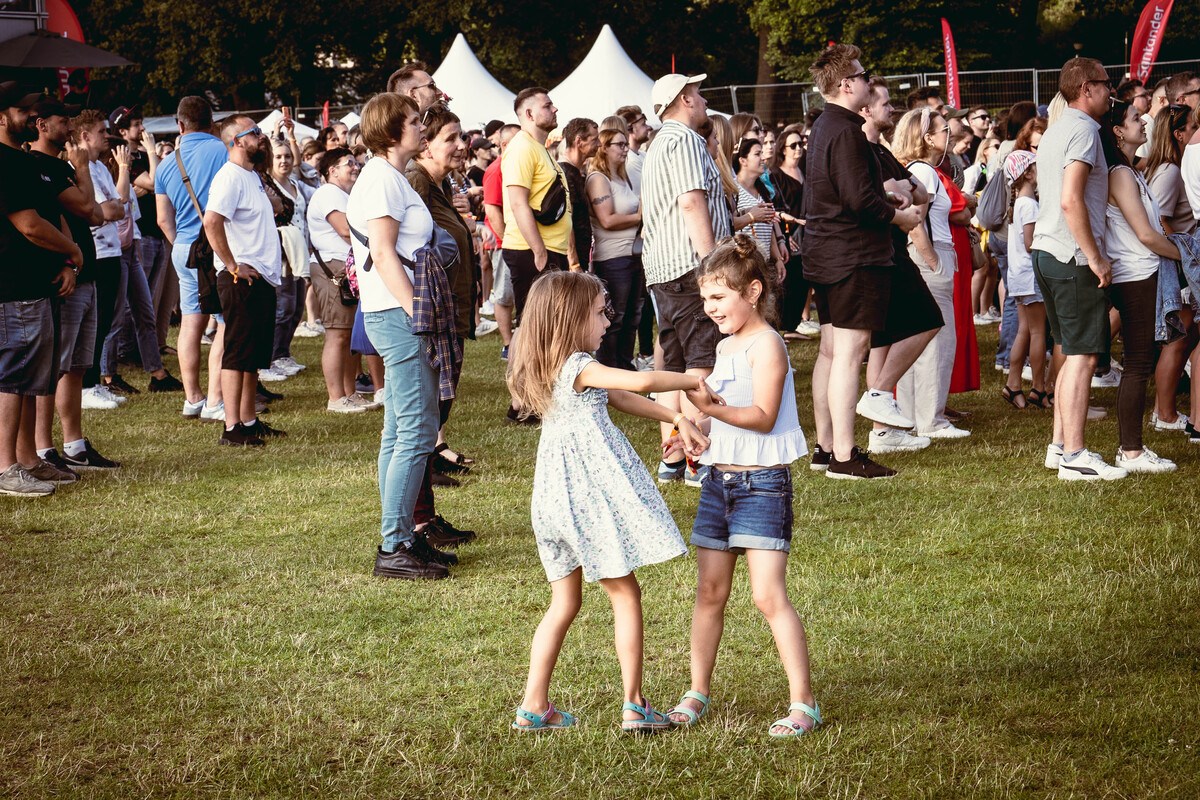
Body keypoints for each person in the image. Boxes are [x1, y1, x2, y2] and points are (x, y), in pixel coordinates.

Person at [506, 270, 710, 732]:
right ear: (571, 319)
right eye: (600, 313)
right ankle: (634, 704)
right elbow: (640, 381)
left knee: (564, 601)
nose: (607, 322)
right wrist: (690, 382)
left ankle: (534, 706)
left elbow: (619, 397)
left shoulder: (552, 367)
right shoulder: (579, 364)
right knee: (625, 593)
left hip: (551, 503)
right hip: (584, 503)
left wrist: (675, 416)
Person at [662, 236, 819, 738]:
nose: (710, 309)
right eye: (705, 299)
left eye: (719, 297)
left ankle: (803, 702)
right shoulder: (725, 345)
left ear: (752, 292)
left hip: (762, 485)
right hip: (718, 484)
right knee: (709, 592)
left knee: (768, 597)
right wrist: (696, 430)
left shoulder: (767, 344)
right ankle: (697, 691)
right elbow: (727, 417)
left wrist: (710, 408)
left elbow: (763, 416)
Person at [348, 93, 458, 580]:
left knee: (400, 430)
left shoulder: (388, 176)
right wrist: (419, 312)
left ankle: (403, 537)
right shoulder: (381, 179)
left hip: (396, 312)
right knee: (414, 431)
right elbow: (384, 253)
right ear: (391, 131)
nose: (421, 128)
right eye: (414, 121)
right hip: (399, 314)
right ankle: (394, 544)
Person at [801, 45, 922, 479]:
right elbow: (857, 201)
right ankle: (844, 457)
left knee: (832, 353)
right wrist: (899, 216)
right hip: (851, 255)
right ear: (846, 85)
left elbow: (844, 190)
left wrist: (884, 195)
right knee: (849, 355)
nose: (869, 80)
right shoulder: (847, 131)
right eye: (864, 74)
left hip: (828, 252)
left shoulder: (826, 125)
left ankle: (826, 448)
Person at [1030, 58, 1126, 481]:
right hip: (1071, 256)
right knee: (1084, 356)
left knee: (1072, 351)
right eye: (1106, 84)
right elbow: (1071, 200)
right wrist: (1095, 256)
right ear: (1087, 88)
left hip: (1048, 251)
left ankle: (1059, 447)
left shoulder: (1057, 127)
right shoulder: (1085, 130)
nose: (1111, 91)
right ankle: (1074, 455)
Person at [640, 72, 730, 484]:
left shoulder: (658, 144)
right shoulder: (687, 141)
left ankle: (673, 458)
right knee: (701, 363)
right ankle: (697, 459)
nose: (704, 100)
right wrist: (712, 265)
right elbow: (692, 203)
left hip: (663, 270)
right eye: (699, 93)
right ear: (685, 100)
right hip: (690, 268)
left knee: (674, 366)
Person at [26, 98, 119, 476]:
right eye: (62, 121)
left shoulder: (63, 166)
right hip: (64, 277)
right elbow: (86, 208)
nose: (69, 128)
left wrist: (79, 174)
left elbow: (93, 212)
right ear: (42, 125)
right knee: (53, 369)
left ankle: (75, 445)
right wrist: (81, 169)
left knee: (78, 365)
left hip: (87, 272)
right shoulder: (38, 166)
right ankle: (43, 448)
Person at [0, 82, 83, 497]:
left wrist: (65, 262)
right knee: (13, 378)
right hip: (13, 286)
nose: (32, 118)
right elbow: (30, 225)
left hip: (36, 283)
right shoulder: (5, 162)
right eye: (23, 111)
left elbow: (50, 213)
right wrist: (72, 250)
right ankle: (5, 468)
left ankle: (29, 459)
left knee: (31, 379)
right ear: (2, 117)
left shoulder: (23, 160)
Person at [856, 79, 945, 457]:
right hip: (882, 253)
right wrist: (898, 193)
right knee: (928, 319)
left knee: (884, 338)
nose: (891, 108)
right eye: (885, 103)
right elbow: (880, 196)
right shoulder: (860, 150)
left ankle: (882, 432)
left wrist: (901, 191)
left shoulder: (882, 150)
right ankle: (878, 394)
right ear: (865, 108)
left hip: (891, 249)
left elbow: (918, 192)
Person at [1101, 99, 1180, 473]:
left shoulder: (1129, 171)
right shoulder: (1119, 173)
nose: (1144, 123)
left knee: (1140, 361)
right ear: (1118, 131)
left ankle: (1131, 448)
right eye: (1136, 119)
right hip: (1135, 274)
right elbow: (1146, 235)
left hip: (1142, 272)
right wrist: (1186, 257)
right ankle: (1130, 450)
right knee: (1137, 363)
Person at [202, 115, 286, 447]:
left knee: (253, 356)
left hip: (260, 276)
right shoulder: (229, 177)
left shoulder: (251, 175)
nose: (262, 136)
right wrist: (232, 264)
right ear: (237, 141)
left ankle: (249, 420)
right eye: (255, 132)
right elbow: (211, 222)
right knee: (237, 354)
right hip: (240, 279)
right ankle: (232, 426)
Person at [890, 108, 969, 440]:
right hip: (931, 257)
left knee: (920, 339)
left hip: (926, 257)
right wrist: (934, 260)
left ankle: (914, 415)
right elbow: (915, 221)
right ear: (927, 138)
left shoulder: (917, 170)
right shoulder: (924, 171)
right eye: (944, 130)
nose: (949, 134)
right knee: (939, 340)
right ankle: (931, 419)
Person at [155, 96, 229, 422]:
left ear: (180, 125)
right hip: (216, 246)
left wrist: (183, 246)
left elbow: (162, 219)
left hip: (184, 248)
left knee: (190, 322)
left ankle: (192, 398)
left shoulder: (166, 163)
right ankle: (216, 399)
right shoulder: (223, 151)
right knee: (225, 322)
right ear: (211, 122)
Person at [1143, 103, 1199, 433]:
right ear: (1178, 134)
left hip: (1180, 260)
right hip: (1177, 263)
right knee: (1178, 338)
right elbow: (1159, 220)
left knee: (1183, 337)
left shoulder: (1171, 167)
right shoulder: (1170, 171)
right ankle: (1163, 413)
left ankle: (1163, 410)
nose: (1196, 132)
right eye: (1192, 127)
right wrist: (1181, 253)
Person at [502, 87, 573, 315]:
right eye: (547, 106)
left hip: (550, 249)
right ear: (529, 114)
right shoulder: (522, 148)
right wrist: (539, 251)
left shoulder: (538, 148)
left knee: (551, 323)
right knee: (534, 324)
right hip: (531, 250)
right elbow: (518, 203)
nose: (555, 109)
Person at [307, 147, 365, 413]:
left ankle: (349, 393)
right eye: (348, 163)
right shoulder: (329, 193)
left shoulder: (343, 194)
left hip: (344, 268)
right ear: (332, 171)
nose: (355, 167)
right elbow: (344, 230)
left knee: (348, 334)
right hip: (333, 269)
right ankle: (336, 397)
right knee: (337, 333)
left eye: (355, 162)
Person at [586, 127, 643, 369]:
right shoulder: (598, 179)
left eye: (625, 144)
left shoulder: (622, 176)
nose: (625, 149)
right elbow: (607, 220)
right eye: (619, 144)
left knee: (632, 317)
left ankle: (624, 367)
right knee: (614, 318)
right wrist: (640, 216)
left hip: (633, 254)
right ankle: (608, 369)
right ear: (604, 148)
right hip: (612, 258)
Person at [1000, 150, 1049, 410]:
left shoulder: (1019, 202)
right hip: (1030, 276)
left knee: (1024, 331)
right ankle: (1039, 388)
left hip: (1019, 276)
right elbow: (1031, 243)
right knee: (1038, 332)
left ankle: (1013, 384)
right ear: (1028, 174)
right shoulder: (1029, 204)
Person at [482, 124, 520, 362]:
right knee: (505, 295)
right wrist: (507, 241)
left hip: (519, 241)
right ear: (504, 144)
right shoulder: (497, 169)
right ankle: (507, 344)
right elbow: (492, 209)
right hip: (504, 242)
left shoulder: (518, 165)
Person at [558, 117, 598, 272]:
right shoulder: (565, 174)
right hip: (571, 266)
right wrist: (574, 264)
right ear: (579, 141)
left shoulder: (574, 173)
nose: (599, 144)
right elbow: (566, 222)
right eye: (594, 140)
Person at [615, 105, 651, 192]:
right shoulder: (630, 161)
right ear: (630, 129)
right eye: (643, 124)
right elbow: (643, 193)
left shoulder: (642, 154)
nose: (648, 127)